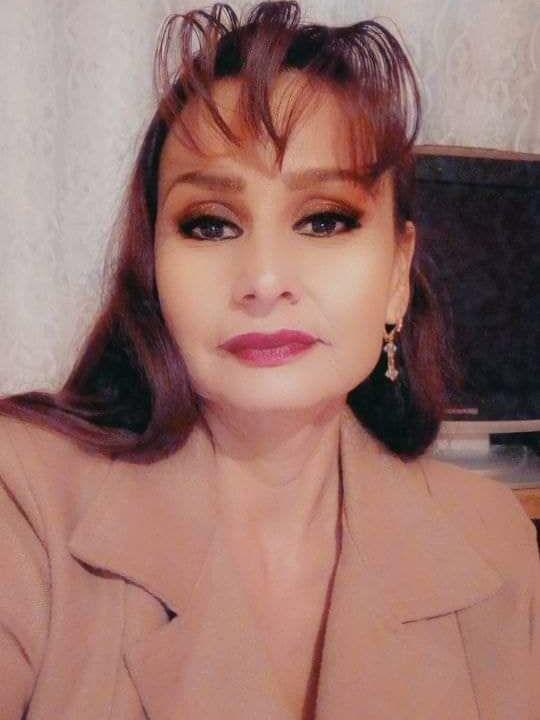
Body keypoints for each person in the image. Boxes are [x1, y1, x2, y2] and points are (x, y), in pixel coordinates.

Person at [0, 2, 538, 718]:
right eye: (210, 225)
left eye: (325, 219)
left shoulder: (495, 537)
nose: (263, 279)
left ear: (396, 273)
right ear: (154, 268)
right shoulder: (23, 500)